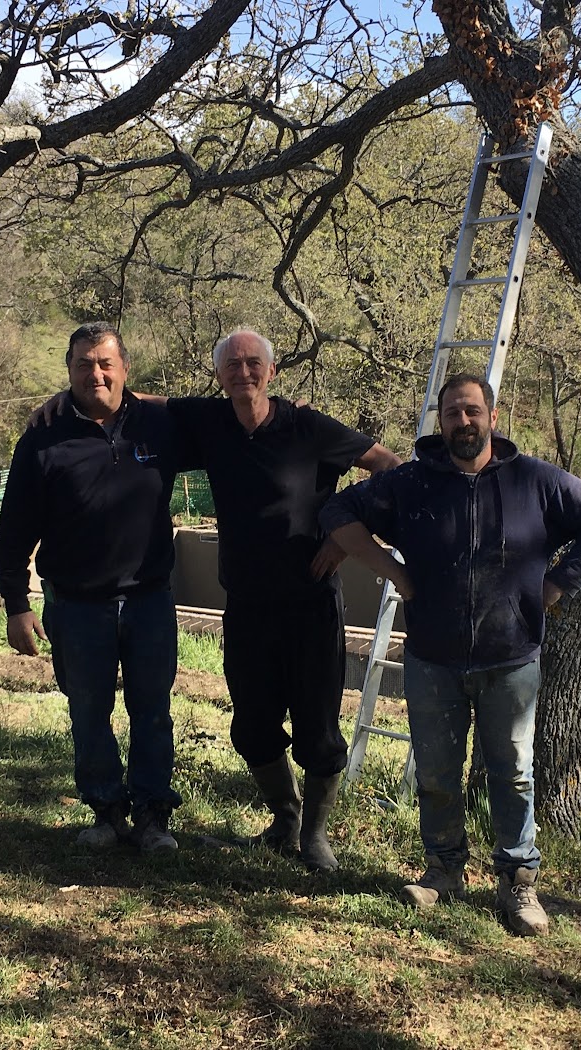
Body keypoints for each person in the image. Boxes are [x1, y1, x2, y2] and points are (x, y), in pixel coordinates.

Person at [320, 372, 581, 935]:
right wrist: (394, 574)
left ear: (492, 414)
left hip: (511, 657)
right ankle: (442, 870)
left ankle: (518, 883)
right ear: (441, 421)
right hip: (433, 656)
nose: (464, 421)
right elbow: (337, 513)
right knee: (436, 771)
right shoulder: (411, 483)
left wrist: (559, 584)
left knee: (512, 773)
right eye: (453, 413)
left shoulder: (533, 479)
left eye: (472, 411)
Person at [163, 329, 401, 872]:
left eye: (253, 364)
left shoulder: (307, 427)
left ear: (271, 372)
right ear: (219, 374)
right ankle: (285, 818)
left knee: (318, 726)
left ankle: (315, 836)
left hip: (310, 605)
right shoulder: (212, 423)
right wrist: (72, 400)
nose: (243, 373)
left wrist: (346, 537)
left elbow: (388, 465)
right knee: (251, 725)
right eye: (232, 365)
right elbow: (147, 403)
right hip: (245, 604)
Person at [0, 322, 194, 852]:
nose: (96, 373)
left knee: (152, 708)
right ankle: (106, 810)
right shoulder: (42, 438)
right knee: (88, 710)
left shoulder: (160, 425)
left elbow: (227, 417)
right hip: (77, 604)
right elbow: (13, 531)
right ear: (68, 371)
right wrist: (16, 605)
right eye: (83, 364)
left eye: (106, 363)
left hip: (150, 598)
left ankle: (153, 815)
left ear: (126, 369)